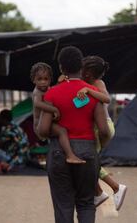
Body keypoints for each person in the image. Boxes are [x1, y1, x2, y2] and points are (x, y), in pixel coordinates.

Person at [37, 46, 111, 223]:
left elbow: (43, 130)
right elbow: (103, 130)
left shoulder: (52, 93)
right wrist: (98, 149)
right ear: (81, 67)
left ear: (61, 68)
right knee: (86, 204)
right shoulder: (93, 94)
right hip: (87, 151)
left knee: (63, 206)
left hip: (58, 153)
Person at [77, 55, 127, 211]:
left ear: (87, 74)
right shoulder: (85, 81)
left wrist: (89, 91)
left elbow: (106, 99)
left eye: (81, 69)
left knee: (88, 162)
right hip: (98, 129)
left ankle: (116, 187)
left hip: (103, 128)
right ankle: (99, 192)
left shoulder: (98, 83)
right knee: (90, 161)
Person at [31, 62, 85, 164]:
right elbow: (38, 104)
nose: (43, 82)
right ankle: (70, 155)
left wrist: (60, 83)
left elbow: (54, 93)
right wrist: (54, 110)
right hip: (39, 126)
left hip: (47, 122)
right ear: (34, 80)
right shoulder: (37, 92)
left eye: (46, 79)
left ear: (50, 80)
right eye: (39, 79)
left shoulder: (48, 89)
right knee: (62, 131)